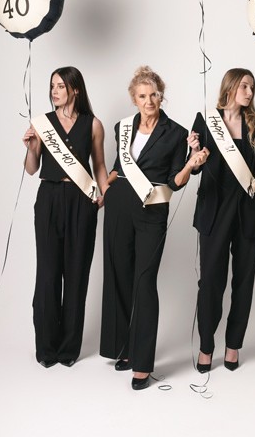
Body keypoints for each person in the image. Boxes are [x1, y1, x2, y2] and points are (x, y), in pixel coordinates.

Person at [99, 66, 209, 390]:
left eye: (154, 95)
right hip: (118, 207)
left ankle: (143, 363)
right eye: (143, 96)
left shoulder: (175, 133)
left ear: (162, 96)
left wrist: (191, 163)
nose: (149, 101)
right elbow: (118, 169)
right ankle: (125, 348)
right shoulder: (122, 128)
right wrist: (104, 191)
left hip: (151, 213)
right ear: (134, 99)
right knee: (119, 275)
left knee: (144, 282)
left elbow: (175, 181)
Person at [188, 68, 255, 372]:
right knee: (210, 283)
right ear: (230, 87)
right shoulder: (206, 120)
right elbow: (193, 167)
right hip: (214, 213)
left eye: (252, 87)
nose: (250, 92)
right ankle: (206, 347)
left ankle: (233, 346)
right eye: (244, 86)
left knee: (244, 282)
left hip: (248, 212)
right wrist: (194, 153)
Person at [22, 66, 108, 368]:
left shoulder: (93, 124)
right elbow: (31, 168)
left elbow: (99, 165)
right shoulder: (41, 124)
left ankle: (69, 349)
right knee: (47, 275)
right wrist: (32, 148)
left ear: (75, 89)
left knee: (76, 274)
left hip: (81, 201)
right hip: (49, 199)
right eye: (52, 86)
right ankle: (46, 349)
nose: (54, 92)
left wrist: (104, 193)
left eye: (60, 86)